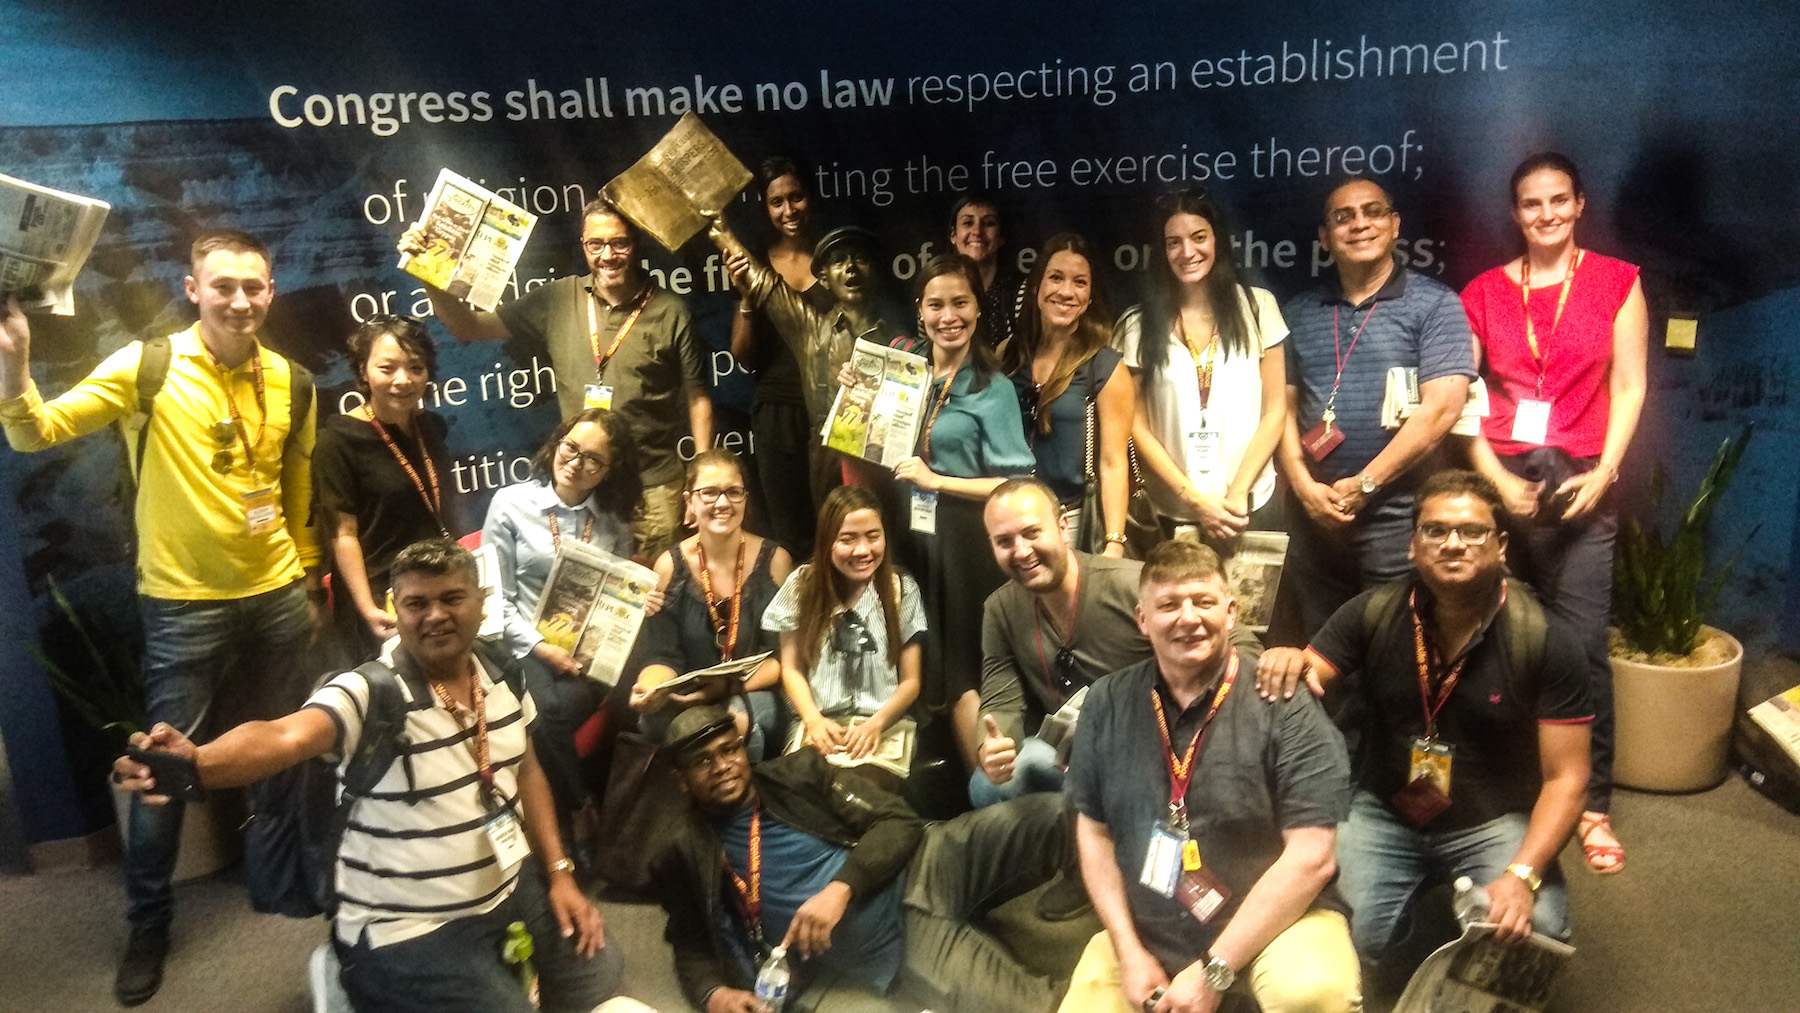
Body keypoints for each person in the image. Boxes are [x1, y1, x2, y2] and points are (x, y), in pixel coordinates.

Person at [1, 229, 322, 1006]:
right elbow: (30, 430)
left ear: (271, 291)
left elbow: (298, 486)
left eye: (254, 286)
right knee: (161, 772)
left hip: (277, 593)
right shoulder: (146, 366)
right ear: (192, 287)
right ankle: (149, 920)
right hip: (182, 604)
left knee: (289, 750)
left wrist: (307, 578)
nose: (240, 300)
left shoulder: (294, 381)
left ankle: (287, 879)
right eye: (224, 286)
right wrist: (13, 356)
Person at [110, 539, 624, 1013]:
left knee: (598, 974)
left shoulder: (502, 670)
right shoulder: (368, 691)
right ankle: (347, 977)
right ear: (395, 609)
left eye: (452, 598)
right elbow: (284, 736)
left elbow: (527, 768)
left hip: (509, 887)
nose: (435, 616)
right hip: (406, 925)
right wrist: (196, 763)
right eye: (416, 604)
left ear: (482, 601)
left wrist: (558, 874)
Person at [1255, 471, 1592, 990]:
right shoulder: (1373, 612)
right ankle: (1423, 930)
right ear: (1413, 546)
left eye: (1471, 531)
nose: (1452, 543)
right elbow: (1305, 676)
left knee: (1535, 933)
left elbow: (1567, 779)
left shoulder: (1545, 640)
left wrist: (1521, 876)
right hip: (1382, 809)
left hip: (1493, 819)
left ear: (1501, 547)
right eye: (1435, 531)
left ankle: (1477, 907)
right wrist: (1285, 658)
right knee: (1354, 938)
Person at [1059, 541, 1360, 1013]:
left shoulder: (1284, 701)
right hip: (1151, 930)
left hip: (1278, 923)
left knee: (1311, 990)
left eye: (1203, 601)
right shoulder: (1106, 702)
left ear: (1231, 611)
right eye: (1169, 605)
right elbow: (1094, 833)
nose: (1188, 618)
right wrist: (1129, 950)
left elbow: (1313, 858)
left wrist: (1215, 968)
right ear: (1142, 619)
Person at [1460, 152, 1648, 876]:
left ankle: (1592, 800)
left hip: (1581, 483)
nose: (1545, 214)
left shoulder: (1616, 282)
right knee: (1500, 641)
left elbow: (1629, 386)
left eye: (1557, 201)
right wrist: (1495, 478)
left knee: (1579, 646)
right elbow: (1461, 397)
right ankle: (1514, 785)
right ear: (1515, 213)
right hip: (1506, 483)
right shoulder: (1482, 292)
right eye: (1531, 204)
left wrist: (1606, 470)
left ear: (1578, 205)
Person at [649, 703, 1071, 1013]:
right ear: (680, 781)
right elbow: (689, 943)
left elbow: (899, 821)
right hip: (892, 947)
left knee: (1055, 814)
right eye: (703, 761)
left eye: (729, 750)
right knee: (1038, 1006)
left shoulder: (797, 774)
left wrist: (841, 888)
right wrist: (714, 994)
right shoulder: (681, 851)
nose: (722, 766)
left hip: (926, 862)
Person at [403, 197, 712, 562]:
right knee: (587, 608)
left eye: (619, 243)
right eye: (595, 244)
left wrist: (702, 485)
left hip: (654, 490)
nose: (607, 255)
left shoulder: (671, 311)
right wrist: (428, 273)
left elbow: (698, 399)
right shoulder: (559, 299)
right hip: (582, 490)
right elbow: (468, 327)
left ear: (636, 244)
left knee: (654, 602)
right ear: (583, 245)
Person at [1275, 178, 1476, 642]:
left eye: (1372, 212)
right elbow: (1280, 410)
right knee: (1320, 650)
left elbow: (1441, 410)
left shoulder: (1436, 304)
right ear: (1324, 237)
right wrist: (1305, 489)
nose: (1360, 224)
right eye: (1343, 217)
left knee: (1394, 650)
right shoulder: (1299, 312)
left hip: (1398, 516)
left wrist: (1365, 485)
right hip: (1315, 519)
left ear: (1394, 224)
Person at [890, 255, 1037, 772]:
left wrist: (938, 481)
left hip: (964, 540)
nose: (948, 315)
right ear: (920, 311)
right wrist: (856, 388)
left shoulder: (990, 388)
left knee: (960, 667)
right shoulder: (905, 372)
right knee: (919, 654)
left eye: (960, 302)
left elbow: (1016, 481)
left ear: (978, 309)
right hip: (910, 534)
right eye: (936, 304)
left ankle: (984, 794)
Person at [483, 408, 641, 839]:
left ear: (609, 470)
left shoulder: (614, 521)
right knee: (544, 710)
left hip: (588, 657)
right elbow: (497, 600)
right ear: (557, 443)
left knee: (537, 717)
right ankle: (581, 808)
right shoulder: (511, 505)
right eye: (571, 448)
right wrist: (539, 646)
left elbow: (621, 596)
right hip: (523, 648)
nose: (576, 463)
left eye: (594, 459)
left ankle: (558, 821)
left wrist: (642, 597)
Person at [1115, 190, 1289, 550]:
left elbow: (1275, 410)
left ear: (1217, 240)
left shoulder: (1258, 307)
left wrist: (1238, 491)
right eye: (1173, 242)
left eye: (1199, 237)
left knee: (1249, 608)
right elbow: (1134, 422)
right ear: (1162, 252)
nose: (1187, 252)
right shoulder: (1138, 324)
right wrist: (1193, 499)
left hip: (1249, 504)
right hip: (1172, 512)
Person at [969, 479, 1151, 807]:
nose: (1022, 551)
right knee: (987, 785)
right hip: (1071, 753)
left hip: (1147, 751)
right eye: (1004, 541)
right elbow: (1002, 702)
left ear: (1062, 525)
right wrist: (992, 747)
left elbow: (1231, 640)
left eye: (1032, 533)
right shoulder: (1000, 610)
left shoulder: (1131, 585)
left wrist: (1275, 656)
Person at [631, 449, 794, 757]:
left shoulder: (776, 561)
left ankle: (752, 803)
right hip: (690, 695)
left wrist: (727, 688)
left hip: (754, 689)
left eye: (734, 492)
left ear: (746, 499)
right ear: (689, 501)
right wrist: (649, 687)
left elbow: (784, 657)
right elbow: (662, 656)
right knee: (653, 720)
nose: (722, 503)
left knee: (733, 724)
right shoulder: (669, 566)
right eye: (709, 493)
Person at [315, 315, 457, 666]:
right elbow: (342, 534)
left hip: (433, 586)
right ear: (363, 372)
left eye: (415, 367)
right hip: (383, 597)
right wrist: (367, 608)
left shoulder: (432, 428)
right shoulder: (338, 440)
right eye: (387, 368)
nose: (403, 380)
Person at [762, 485, 925, 789]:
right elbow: (791, 669)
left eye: (872, 536)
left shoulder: (901, 587)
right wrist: (812, 719)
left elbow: (911, 681)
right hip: (820, 721)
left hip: (883, 723)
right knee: (802, 788)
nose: (862, 550)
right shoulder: (802, 585)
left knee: (860, 790)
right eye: (848, 539)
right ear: (827, 542)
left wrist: (876, 724)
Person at [1000, 233, 1133, 557]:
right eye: (1055, 278)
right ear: (1036, 288)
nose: (1066, 291)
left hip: (1070, 522)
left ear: (1089, 298)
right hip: (1009, 520)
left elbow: (1114, 462)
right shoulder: (1008, 354)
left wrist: (1113, 542)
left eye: (1079, 282)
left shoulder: (1105, 366)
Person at [729, 157, 833, 557]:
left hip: (833, 412)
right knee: (789, 532)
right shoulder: (753, 264)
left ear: (811, 198)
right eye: (777, 202)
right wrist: (746, 295)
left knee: (837, 520)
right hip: (777, 413)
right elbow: (743, 357)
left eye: (796, 197)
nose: (788, 210)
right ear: (765, 208)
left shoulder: (837, 257)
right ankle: (801, 617)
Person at [947, 193, 1027, 350]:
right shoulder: (936, 288)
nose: (977, 231)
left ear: (1001, 237)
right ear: (953, 235)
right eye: (968, 223)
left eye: (989, 223)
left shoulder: (1020, 290)